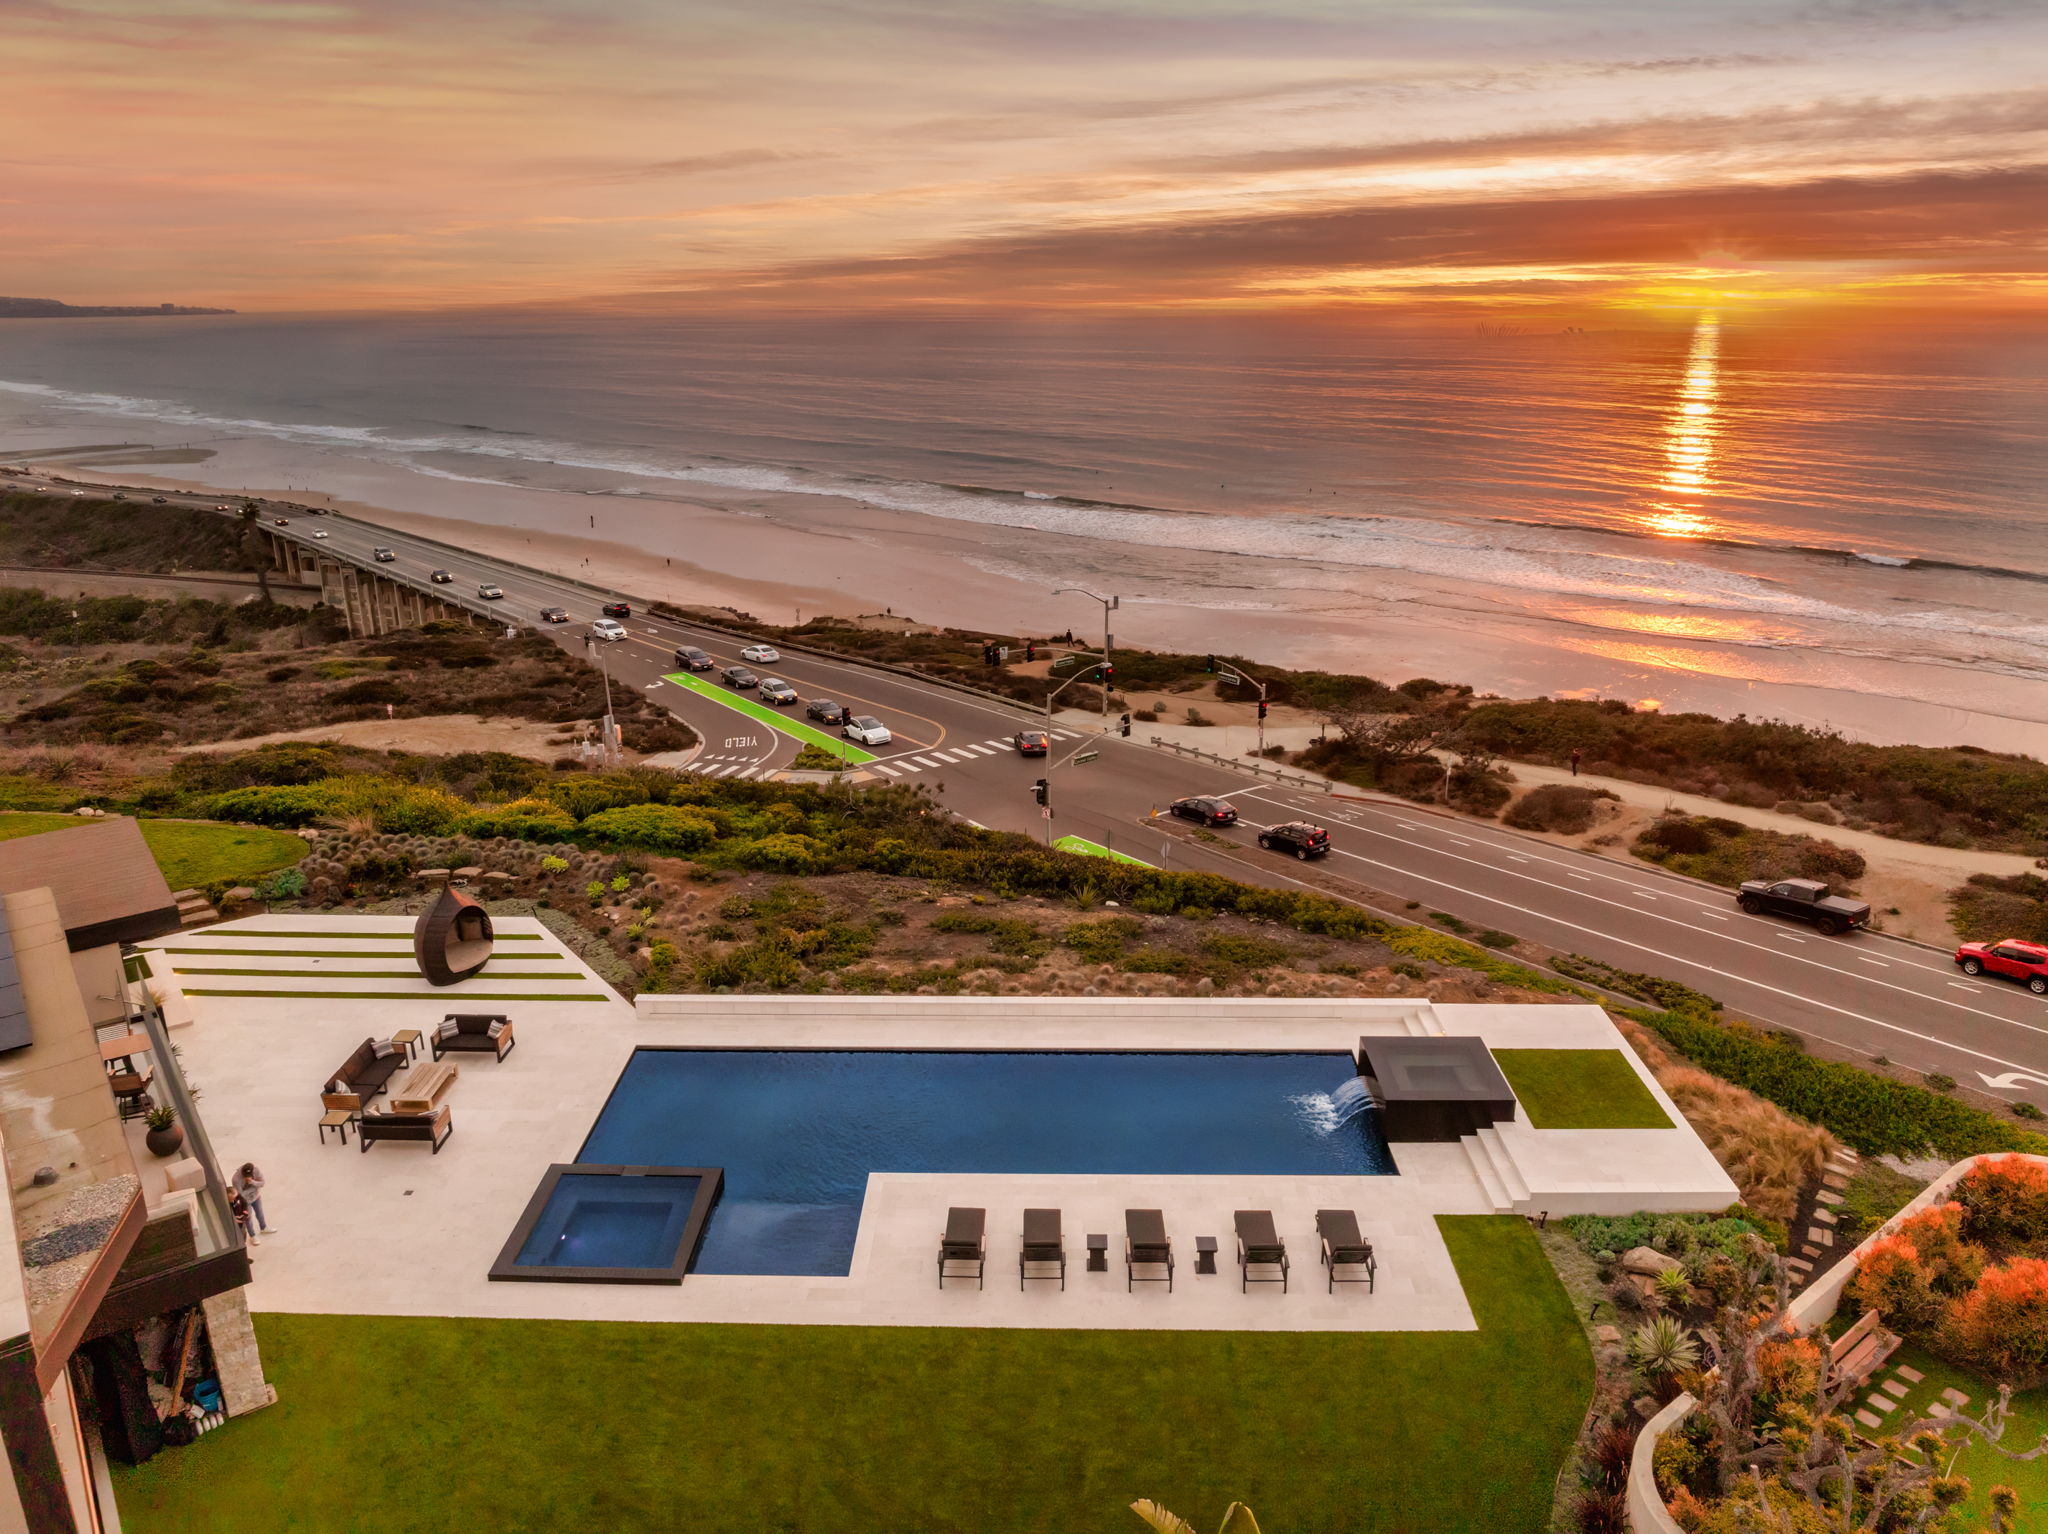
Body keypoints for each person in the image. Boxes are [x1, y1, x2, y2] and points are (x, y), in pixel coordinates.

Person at [233, 1163, 270, 1234]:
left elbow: (262, 1183)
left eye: (249, 1176)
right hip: (245, 1201)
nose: (247, 1178)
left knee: (260, 1213)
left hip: (256, 1197)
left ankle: (264, 1228)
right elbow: (241, 1195)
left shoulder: (257, 1170)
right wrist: (255, 1188)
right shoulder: (236, 1179)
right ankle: (252, 1235)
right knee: (248, 1218)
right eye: (245, 1176)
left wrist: (252, 1182)